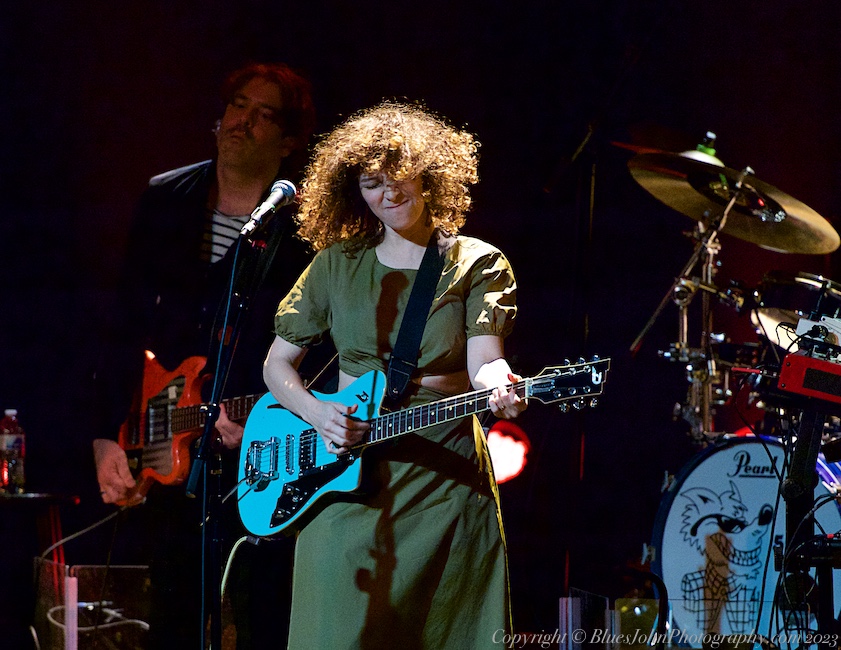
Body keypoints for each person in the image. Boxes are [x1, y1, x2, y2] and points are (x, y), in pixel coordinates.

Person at [262, 101, 527, 649]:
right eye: (371, 183)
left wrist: (500, 382)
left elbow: (485, 361)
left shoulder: (476, 262)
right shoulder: (337, 263)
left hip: (444, 477)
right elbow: (276, 365)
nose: (387, 193)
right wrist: (318, 413)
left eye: (397, 175)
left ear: (427, 173)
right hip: (343, 473)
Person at [90, 62, 319, 648]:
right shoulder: (167, 198)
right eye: (238, 105)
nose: (242, 121)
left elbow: (324, 345)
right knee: (174, 616)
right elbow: (122, 323)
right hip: (167, 443)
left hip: (259, 447)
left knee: (265, 614)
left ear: (288, 140)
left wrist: (273, 420)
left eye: (263, 114)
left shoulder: (306, 225)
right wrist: (107, 434)